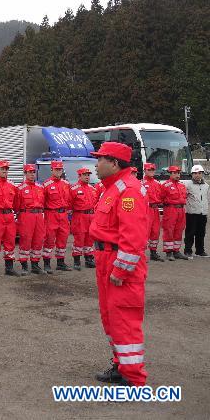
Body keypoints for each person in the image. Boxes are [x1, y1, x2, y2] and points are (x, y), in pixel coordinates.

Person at [90, 142, 148, 387]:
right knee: (111, 318)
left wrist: (121, 269)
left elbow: (133, 238)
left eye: (100, 159)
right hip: (106, 259)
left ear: (114, 163)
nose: (96, 163)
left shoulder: (129, 191)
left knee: (124, 318)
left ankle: (133, 377)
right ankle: (121, 365)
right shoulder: (112, 188)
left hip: (118, 263)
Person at [0, 160, 19, 276]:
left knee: (10, 242)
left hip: (9, 216)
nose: (4, 171)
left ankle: (9, 268)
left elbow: (16, 202)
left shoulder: (12, 185)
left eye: (6, 169)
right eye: (2, 169)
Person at [16, 164, 45, 275]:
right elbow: (16, 205)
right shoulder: (20, 188)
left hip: (39, 216)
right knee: (26, 239)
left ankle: (35, 265)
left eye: (33, 172)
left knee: (38, 239)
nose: (32, 174)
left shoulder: (40, 187)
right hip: (26, 216)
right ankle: (24, 265)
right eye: (29, 172)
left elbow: (44, 202)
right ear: (25, 173)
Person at [43, 160, 71, 272]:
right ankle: (46, 263)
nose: (59, 171)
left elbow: (69, 200)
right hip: (51, 214)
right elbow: (42, 201)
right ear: (52, 170)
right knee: (49, 239)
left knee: (63, 239)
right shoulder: (46, 185)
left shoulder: (66, 184)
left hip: (63, 215)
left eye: (60, 169)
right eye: (56, 169)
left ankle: (60, 262)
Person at [69, 167, 97, 270]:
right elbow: (69, 204)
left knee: (89, 239)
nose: (87, 177)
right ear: (79, 176)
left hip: (91, 216)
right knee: (79, 239)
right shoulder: (73, 189)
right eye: (85, 175)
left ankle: (89, 259)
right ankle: (77, 261)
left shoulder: (93, 189)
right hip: (79, 216)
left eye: (88, 175)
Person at [161, 165, 188, 261]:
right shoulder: (165, 185)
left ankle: (176, 251)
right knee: (169, 229)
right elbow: (162, 198)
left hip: (181, 210)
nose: (177, 175)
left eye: (178, 173)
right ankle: (169, 252)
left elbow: (185, 197)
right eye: (175, 173)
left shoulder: (182, 185)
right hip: (171, 210)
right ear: (170, 174)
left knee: (179, 229)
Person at [184, 165, 209, 258]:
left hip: (203, 213)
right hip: (191, 213)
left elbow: (208, 198)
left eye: (199, 173)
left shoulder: (206, 186)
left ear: (202, 174)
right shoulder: (187, 185)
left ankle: (200, 251)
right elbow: (184, 197)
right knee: (190, 232)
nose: (197, 175)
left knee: (201, 233)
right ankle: (188, 251)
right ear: (192, 174)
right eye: (195, 173)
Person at [141, 163, 164, 261]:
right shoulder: (140, 183)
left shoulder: (157, 183)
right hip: (146, 209)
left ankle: (153, 252)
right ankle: (141, 254)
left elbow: (162, 196)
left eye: (153, 170)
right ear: (144, 171)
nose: (151, 172)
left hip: (155, 210)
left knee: (155, 231)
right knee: (145, 231)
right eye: (149, 170)